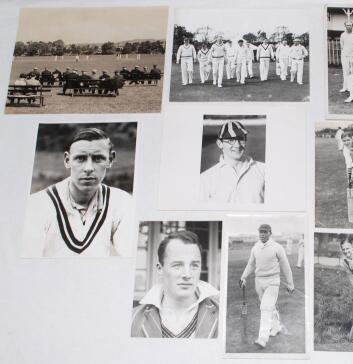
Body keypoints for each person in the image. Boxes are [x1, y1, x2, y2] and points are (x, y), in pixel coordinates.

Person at [20, 128, 134, 257]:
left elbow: (127, 260)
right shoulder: (38, 204)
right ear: (67, 160)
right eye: (80, 158)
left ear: (110, 159)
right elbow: (28, 264)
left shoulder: (122, 203)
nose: (89, 168)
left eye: (98, 158)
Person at [131, 230, 219, 338]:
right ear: (160, 269)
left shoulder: (222, 313)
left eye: (194, 265)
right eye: (177, 265)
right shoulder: (132, 318)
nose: (187, 274)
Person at [239, 224, 294, 349]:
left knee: (265, 308)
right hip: (259, 282)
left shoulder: (277, 247)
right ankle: (276, 327)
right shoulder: (255, 247)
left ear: (270, 233)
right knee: (269, 307)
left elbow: (285, 265)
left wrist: (290, 283)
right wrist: (243, 277)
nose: (262, 234)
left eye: (265, 232)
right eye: (260, 232)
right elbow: (251, 264)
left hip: (273, 282)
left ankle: (262, 339)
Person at [200, 120, 265, 203]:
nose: (237, 145)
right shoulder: (205, 179)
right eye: (231, 140)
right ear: (220, 143)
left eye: (241, 139)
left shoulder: (264, 171)